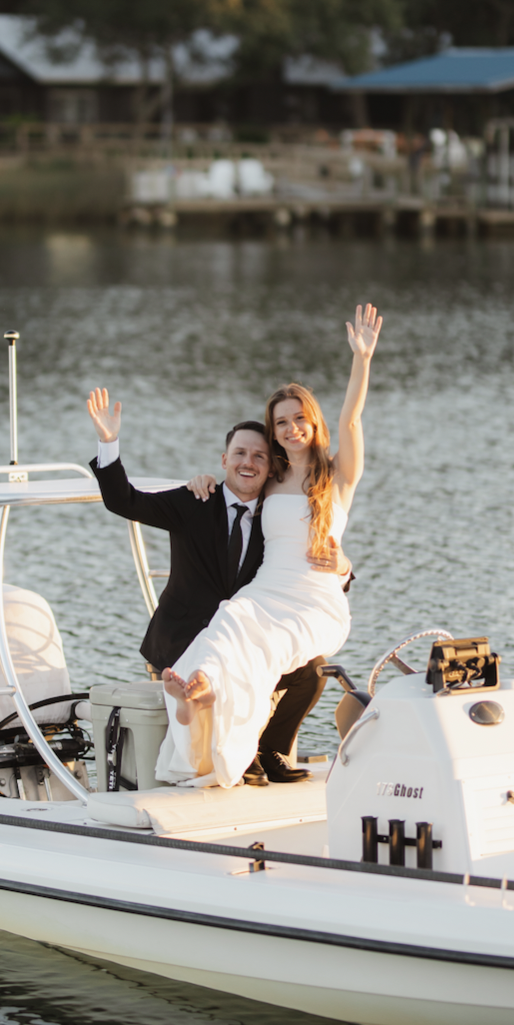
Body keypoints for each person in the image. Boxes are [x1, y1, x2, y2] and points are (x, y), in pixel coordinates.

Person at [158, 302, 382, 788]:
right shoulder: (270, 478)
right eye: (281, 422)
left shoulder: (337, 476)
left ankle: (250, 738)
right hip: (265, 590)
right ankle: (198, 693)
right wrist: (202, 481)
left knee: (270, 648)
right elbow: (232, 484)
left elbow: (353, 420)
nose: (291, 428)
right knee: (229, 621)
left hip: (313, 601)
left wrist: (361, 360)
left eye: (299, 419)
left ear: (313, 422)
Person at [86, 399, 352, 784]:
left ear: (272, 466)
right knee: (227, 662)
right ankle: (227, 748)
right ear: (224, 459)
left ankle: (268, 751)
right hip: (184, 638)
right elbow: (122, 500)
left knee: (313, 668)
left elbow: (303, 570)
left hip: (244, 635)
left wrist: (344, 566)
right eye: (240, 453)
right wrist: (108, 441)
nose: (250, 461)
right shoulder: (194, 500)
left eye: (260, 455)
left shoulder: (275, 516)